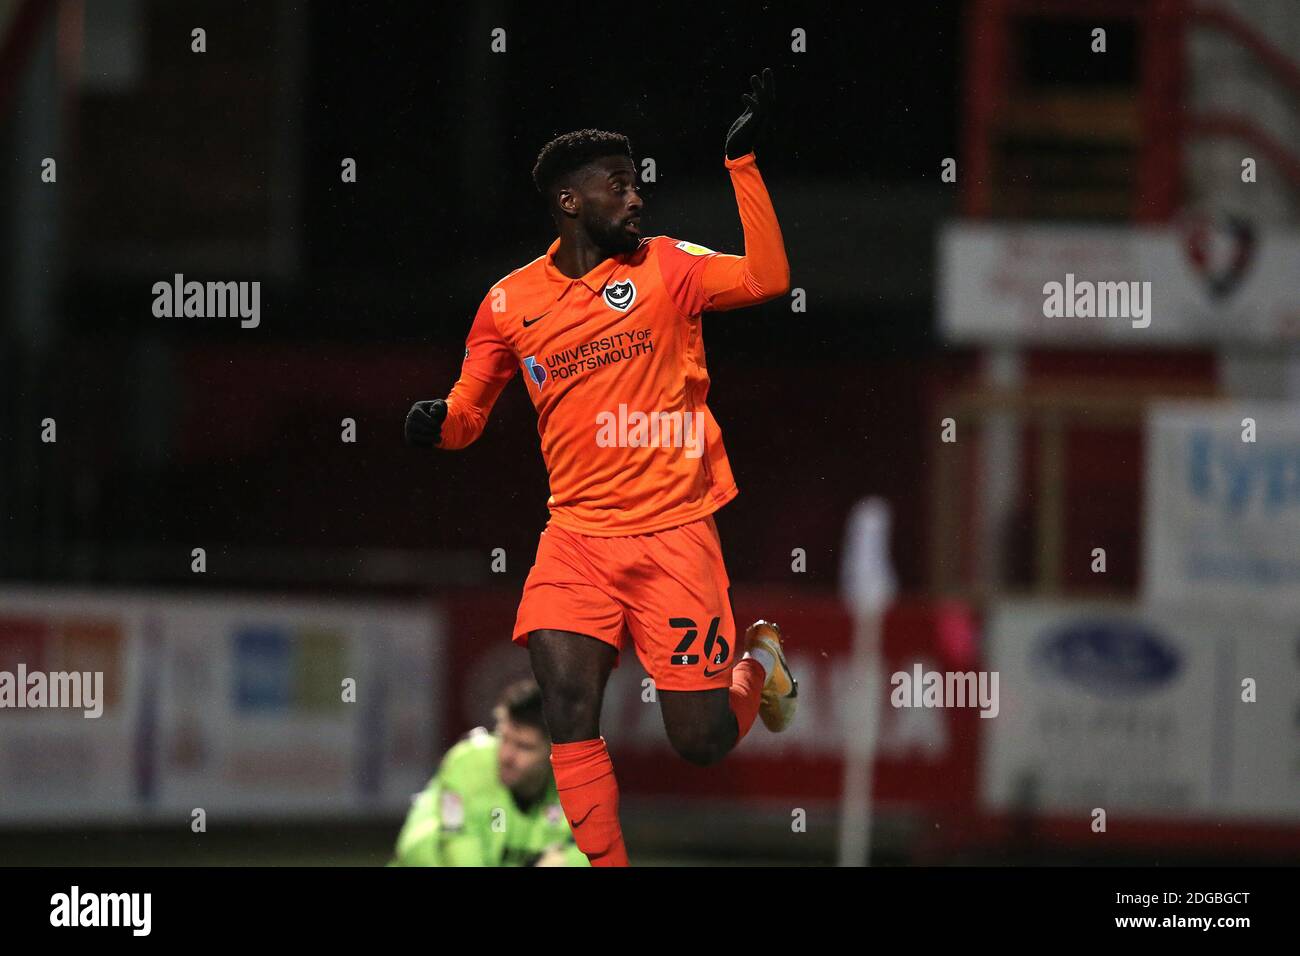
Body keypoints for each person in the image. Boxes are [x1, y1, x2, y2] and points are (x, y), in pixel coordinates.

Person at [405, 69, 797, 867]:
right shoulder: (509, 303)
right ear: (570, 201)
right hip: (576, 539)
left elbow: (767, 278)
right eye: (619, 187)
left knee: (700, 740)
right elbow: (470, 412)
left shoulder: (667, 268)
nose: (637, 199)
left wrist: (744, 167)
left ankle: (761, 661)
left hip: (674, 536)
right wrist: (437, 428)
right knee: (568, 707)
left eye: (637, 185)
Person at [391, 679, 589, 867]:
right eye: (504, 738)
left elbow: (591, 856)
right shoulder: (465, 763)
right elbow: (458, 850)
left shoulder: (575, 788)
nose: (506, 756)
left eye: (524, 747)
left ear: (556, 752)